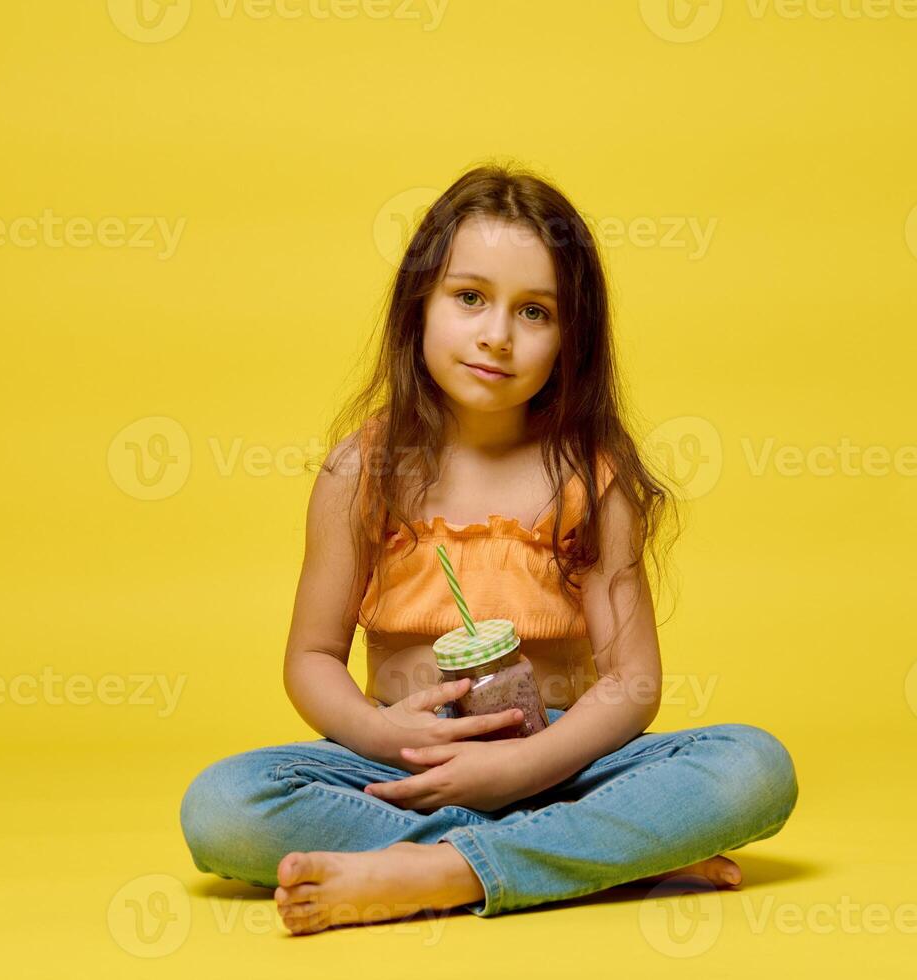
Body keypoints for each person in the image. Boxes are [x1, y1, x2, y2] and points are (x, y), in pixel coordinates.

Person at [179, 162, 799, 935]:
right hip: (409, 764)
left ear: (571, 336)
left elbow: (633, 684)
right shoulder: (359, 472)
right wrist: (383, 734)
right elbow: (310, 658)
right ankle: (595, 860)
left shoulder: (588, 477)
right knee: (224, 806)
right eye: (468, 297)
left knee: (753, 768)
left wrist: (522, 767)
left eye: (534, 311)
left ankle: (436, 870)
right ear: (420, 306)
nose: (495, 335)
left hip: (567, 765)